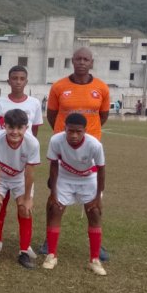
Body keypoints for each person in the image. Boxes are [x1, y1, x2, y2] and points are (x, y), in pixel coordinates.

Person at [43, 47, 109, 260]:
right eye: (78, 59)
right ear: (72, 61)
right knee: (54, 199)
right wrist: (65, 135)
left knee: (95, 204)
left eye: (86, 59)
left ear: (91, 62)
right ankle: (48, 240)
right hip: (64, 152)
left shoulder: (101, 87)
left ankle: (97, 247)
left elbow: (103, 116)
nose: (81, 62)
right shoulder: (59, 86)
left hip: (88, 153)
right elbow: (52, 115)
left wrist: (86, 137)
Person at [43, 113, 107, 276]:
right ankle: (51, 255)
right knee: (55, 209)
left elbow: (101, 170)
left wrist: (98, 197)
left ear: (85, 130)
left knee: (94, 212)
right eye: (70, 131)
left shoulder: (94, 145)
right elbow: (54, 166)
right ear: (64, 128)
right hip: (65, 177)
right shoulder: (56, 140)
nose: (74, 135)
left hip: (88, 178)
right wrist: (53, 194)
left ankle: (94, 259)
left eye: (78, 131)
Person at [0, 65, 43, 256]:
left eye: (22, 78)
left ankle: (25, 246)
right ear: (9, 81)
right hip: (3, 156)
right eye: (14, 78)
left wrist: (26, 148)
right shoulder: (0, 103)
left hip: (22, 158)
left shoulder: (35, 103)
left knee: (24, 206)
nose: (18, 82)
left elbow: (34, 130)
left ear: (26, 81)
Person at [0, 109, 40, 269]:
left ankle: (24, 252)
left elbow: (30, 172)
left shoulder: (32, 143)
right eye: (11, 127)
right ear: (4, 126)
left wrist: (28, 198)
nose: (15, 132)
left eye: (19, 128)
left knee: (25, 209)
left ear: (26, 128)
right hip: (0, 177)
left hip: (20, 178)